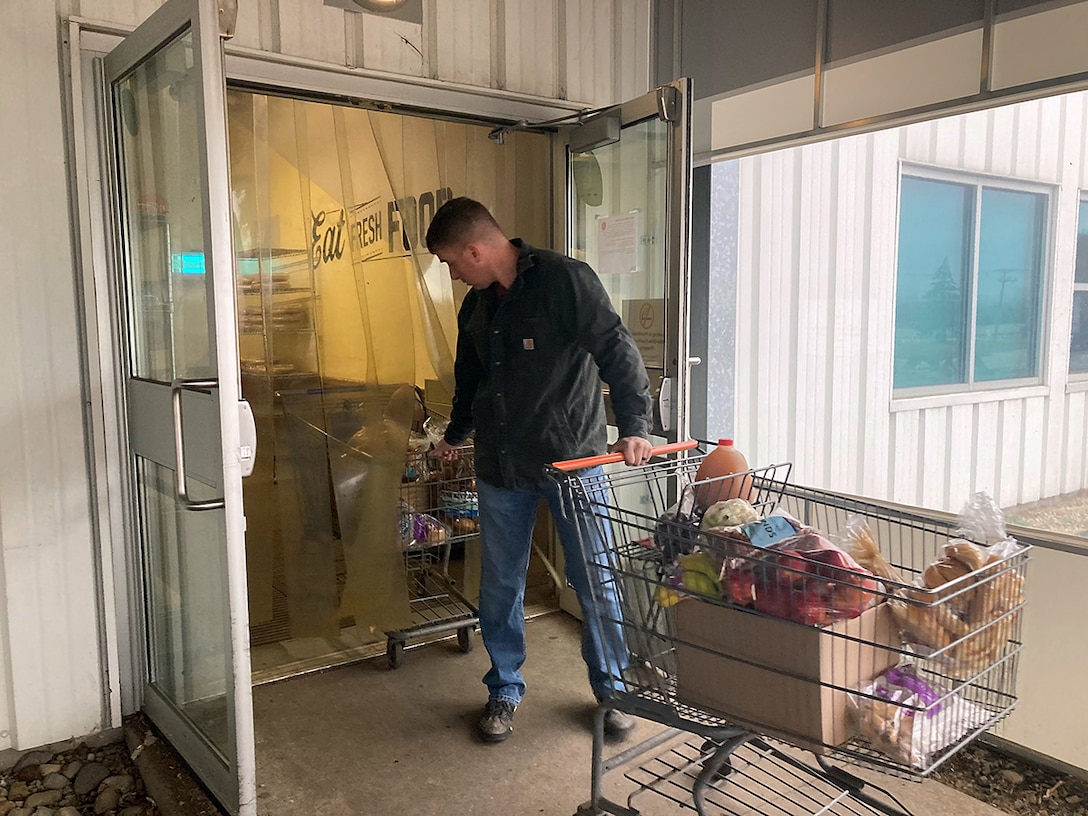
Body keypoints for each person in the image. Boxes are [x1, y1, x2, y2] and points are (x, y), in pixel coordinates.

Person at [426, 197, 654, 744]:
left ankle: (611, 687)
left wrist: (635, 424)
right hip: (501, 466)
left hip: (570, 461)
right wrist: (454, 436)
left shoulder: (564, 281)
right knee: (500, 585)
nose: (453, 275)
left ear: (475, 251)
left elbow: (616, 348)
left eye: (452, 263)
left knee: (594, 579)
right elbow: (470, 380)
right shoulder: (476, 308)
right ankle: (504, 687)